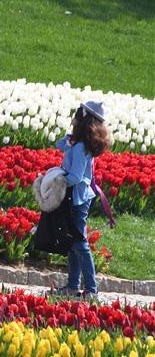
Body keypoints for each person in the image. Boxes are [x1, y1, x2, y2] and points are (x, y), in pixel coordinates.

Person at [51, 101, 112, 303]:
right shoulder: (79, 145)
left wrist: (57, 180)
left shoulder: (80, 149)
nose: (73, 118)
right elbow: (59, 145)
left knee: (79, 243)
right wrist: (71, 138)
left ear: (83, 121)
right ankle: (72, 286)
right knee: (74, 243)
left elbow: (76, 176)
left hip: (76, 199)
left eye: (76, 115)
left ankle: (91, 289)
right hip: (79, 197)